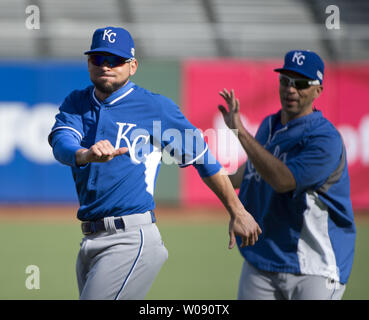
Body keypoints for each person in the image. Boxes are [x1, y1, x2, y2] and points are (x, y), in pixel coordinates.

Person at [48, 26, 261, 300]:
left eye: (114, 60)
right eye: (98, 59)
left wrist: (238, 211)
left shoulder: (155, 107)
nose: (105, 66)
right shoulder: (77, 102)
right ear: (89, 63)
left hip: (130, 238)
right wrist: (83, 154)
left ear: (132, 66)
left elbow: (203, 158)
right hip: (90, 239)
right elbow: (61, 142)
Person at [218, 50, 356, 300]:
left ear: (318, 91)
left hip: (314, 265)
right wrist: (206, 170)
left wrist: (239, 131)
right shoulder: (268, 126)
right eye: (285, 81)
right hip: (263, 260)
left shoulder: (325, 139)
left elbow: (283, 181)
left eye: (301, 83)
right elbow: (246, 174)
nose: (291, 89)